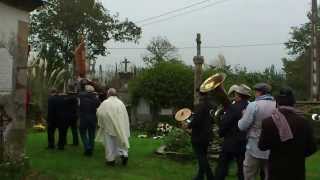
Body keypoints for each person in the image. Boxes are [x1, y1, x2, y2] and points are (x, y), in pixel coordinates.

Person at [258, 87, 317, 180]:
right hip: (297, 170)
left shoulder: (268, 122)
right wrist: (298, 155)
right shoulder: (304, 122)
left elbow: (262, 146)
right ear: (293, 102)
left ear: (277, 103)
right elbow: (312, 148)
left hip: (276, 170)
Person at [238, 83, 276, 180]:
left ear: (259, 92)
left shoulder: (253, 105)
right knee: (270, 174)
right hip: (272, 146)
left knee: (249, 173)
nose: (255, 94)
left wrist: (243, 115)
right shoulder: (276, 105)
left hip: (254, 146)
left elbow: (242, 126)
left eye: (256, 91)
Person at [215, 84, 251, 180]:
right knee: (242, 169)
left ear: (238, 95)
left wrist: (220, 133)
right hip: (244, 142)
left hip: (230, 142)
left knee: (222, 167)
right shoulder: (251, 106)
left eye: (235, 94)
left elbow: (225, 123)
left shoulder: (233, 107)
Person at [183, 91, 215, 180]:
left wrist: (187, 125)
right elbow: (212, 120)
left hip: (198, 136)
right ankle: (200, 176)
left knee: (201, 158)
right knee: (203, 155)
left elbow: (196, 120)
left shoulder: (200, 106)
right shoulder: (211, 105)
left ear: (200, 95)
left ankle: (210, 177)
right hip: (207, 135)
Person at [96, 88, 130, 166]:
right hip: (120, 126)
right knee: (121, 141)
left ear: (108, 94)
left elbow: (99, 113)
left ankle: (110, 160)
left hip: (109, 126)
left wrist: (102, 122)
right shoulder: (121, 103)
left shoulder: (105, 103)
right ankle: (124, 154)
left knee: (109, 143)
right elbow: (125, 116)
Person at [78, 85, 99, 156]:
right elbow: (98, 106)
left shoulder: (81, 97)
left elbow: (78, 106)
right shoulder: (95, 98)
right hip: (93, 118)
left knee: (82, 133)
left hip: (83, 117)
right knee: (92, 134)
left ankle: (87, 147)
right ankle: (91, 149)